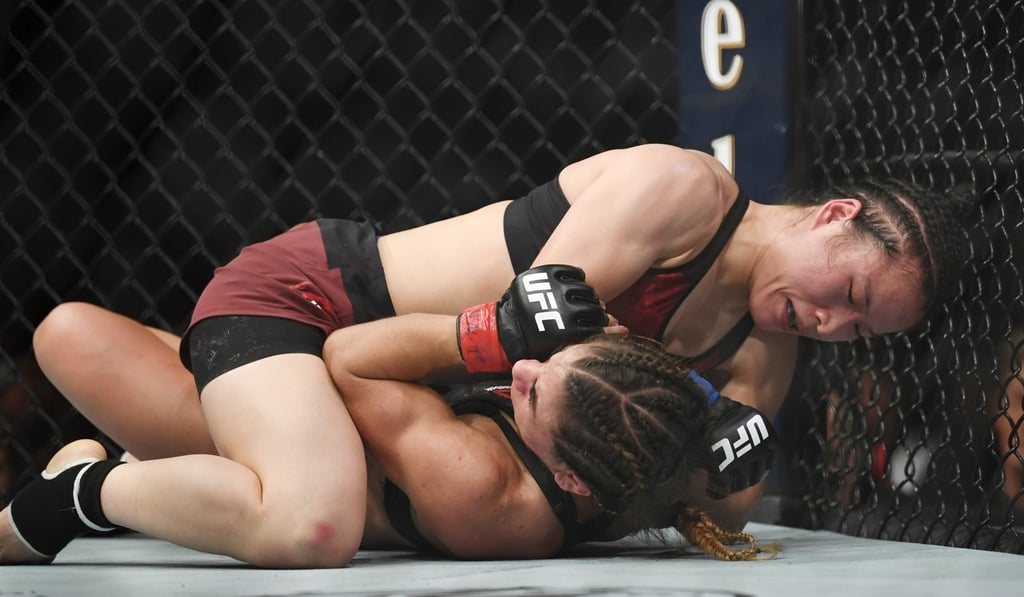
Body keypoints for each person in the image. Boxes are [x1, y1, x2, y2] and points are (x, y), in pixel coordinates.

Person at [28, 143, 974, 530]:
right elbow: (538, 338)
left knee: (77, 341)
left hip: (392, 398)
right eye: (846, 290)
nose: (829, 321)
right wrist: (692, 412)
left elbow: (719, 509)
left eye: (856, 327)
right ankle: (82, 489)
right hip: (320, 308)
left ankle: (190, 379)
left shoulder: (766, 343)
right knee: (311, 518)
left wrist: (724, 464)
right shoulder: (684, 193)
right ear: (833, 214)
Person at [1, 265, 774, 566]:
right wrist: (706, 405)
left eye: (535, 390)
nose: (526, 369)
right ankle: (141, 470)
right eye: (550, 359)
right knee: (69, 334)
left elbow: (347, 361)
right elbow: (704, 471)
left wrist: (489, 333)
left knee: (68, 335)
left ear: (569, 474)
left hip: (314, 379)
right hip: (293, 340)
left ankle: (88, 489)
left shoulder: (480, 486)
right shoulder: (644, 462)